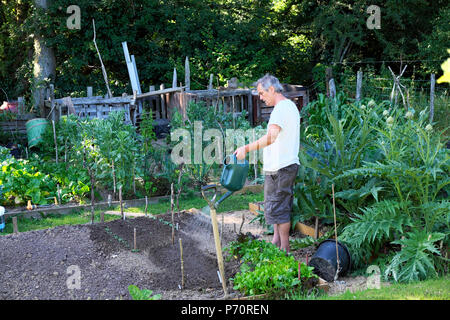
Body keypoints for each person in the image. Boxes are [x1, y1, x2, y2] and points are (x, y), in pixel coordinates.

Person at [234, 74, 300, 253]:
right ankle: (277, 242)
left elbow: (271, 137)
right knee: (276, 206)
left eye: (262, 93)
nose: (261, 98)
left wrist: (246, 149)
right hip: (283, 166)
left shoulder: (281, 109)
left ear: (272, 89)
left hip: (281, 167)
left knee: (279, 208)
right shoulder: (289, 106)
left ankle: (284, 249)